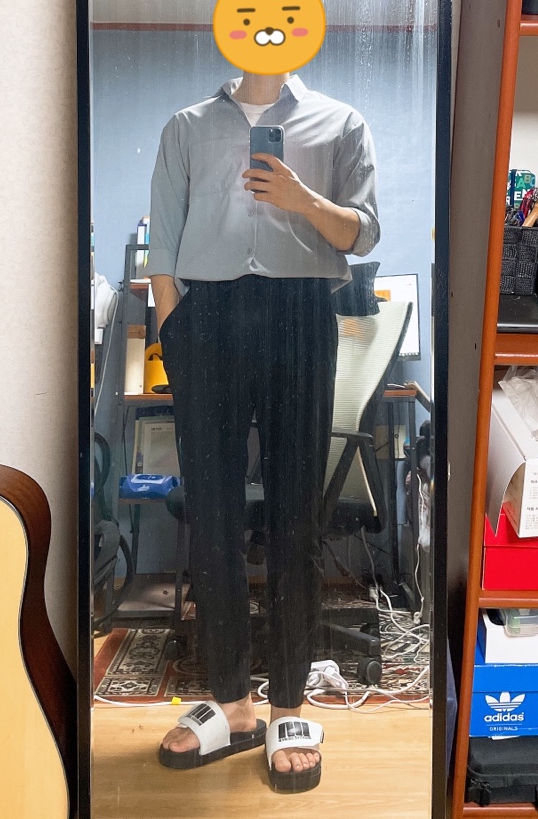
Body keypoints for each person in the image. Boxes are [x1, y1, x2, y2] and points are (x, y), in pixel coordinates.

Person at [146, 60, 378, 792]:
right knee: (211, 513)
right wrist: (174, 327)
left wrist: (302, 198)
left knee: (294, 518)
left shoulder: (341, 124)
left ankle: (289, 704)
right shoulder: (185, 127)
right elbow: (163, 243)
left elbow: (363, 234)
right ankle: (231, 703)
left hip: (299, 316)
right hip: (206, 320)